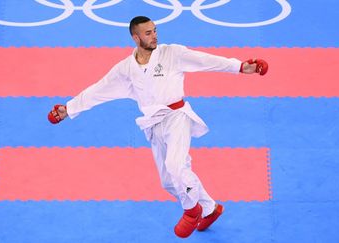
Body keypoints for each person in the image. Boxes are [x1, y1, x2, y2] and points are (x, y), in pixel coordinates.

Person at [48, 16, 268, 238]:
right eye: (148, 33)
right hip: (153, 125)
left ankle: (192, 211)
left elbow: (205, 60)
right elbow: (99, 89)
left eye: (155, 31)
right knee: (169, 181)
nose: (154, 36)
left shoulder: (171, 53)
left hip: (177, 117)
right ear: (135, 37)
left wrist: (240, 67)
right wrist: (69, 108)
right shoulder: (126, 68)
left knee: (176, 165)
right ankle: (210, 209)